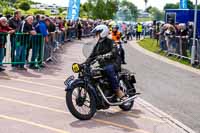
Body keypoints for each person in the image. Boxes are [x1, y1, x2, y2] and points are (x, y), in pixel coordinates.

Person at [86, 25, 126, 100]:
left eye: (97, 33)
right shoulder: (98, 44)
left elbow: (114, 52)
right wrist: (84, 64)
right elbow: (92, 56)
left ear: (103, 32)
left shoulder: (110, 41)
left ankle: (118, 90)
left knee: (108, 69)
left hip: (113, 63)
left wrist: (104, 56)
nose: (96, 35)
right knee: (93, 72)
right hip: (103, 64)